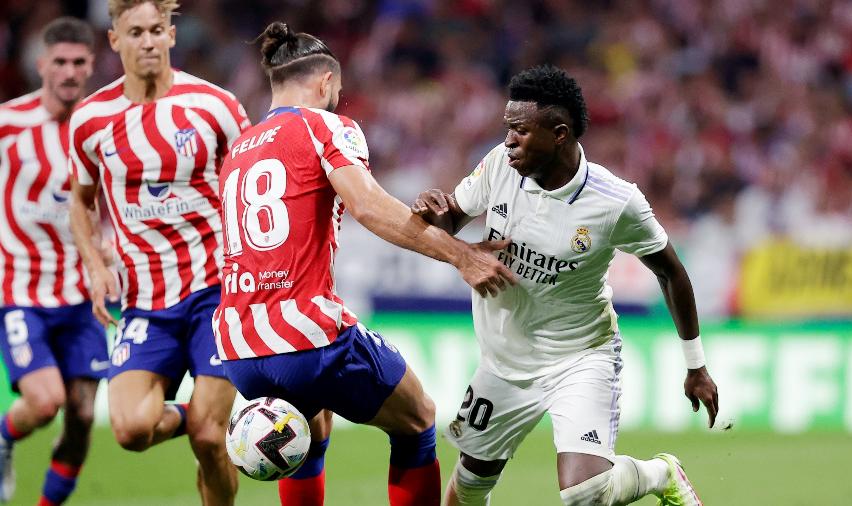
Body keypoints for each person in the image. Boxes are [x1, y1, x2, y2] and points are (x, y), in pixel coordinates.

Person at [214, 22, 515, 506]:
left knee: (312, 422)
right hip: (304, 334)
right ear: (325, 83)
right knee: (417, 418)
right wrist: (460, 253)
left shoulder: (238, 154)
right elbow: (369, 206)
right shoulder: (325, 126)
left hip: (239, 345)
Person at [412, 65, 720, 506]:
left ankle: (661, 472)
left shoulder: (616, 202)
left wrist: (696, 366)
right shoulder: (500, 165)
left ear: (559, 133)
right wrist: (432, 209)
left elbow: (671, 271)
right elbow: (451, 219)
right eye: (507, 129)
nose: (507, 140)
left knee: (586, 492)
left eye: (519, 130)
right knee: (469, 487)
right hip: (502, 361)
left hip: (579, 356)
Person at [67, 1, 250, 504]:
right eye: (135, 32)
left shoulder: (215, 106)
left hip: (217, 293)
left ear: (171, 35)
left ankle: (209, 423)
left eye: (155, 30)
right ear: (114, 41)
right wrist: (95, 265)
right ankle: (204, 415)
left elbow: (252, 187)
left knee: (210, 439)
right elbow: (80, 204)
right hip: (146, 300)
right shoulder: (90, 119)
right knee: (131, 430)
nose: (147, 41)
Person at [0, 17, 105, 506]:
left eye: (78, 62)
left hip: (81, 297)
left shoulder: (99, 127)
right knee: (45, 403)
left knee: (83, 417)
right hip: (20, 292)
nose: (68, 71)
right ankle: (3, 436)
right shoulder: (8, 124)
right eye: (59, 61)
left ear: (91, 66)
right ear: (41, 64)